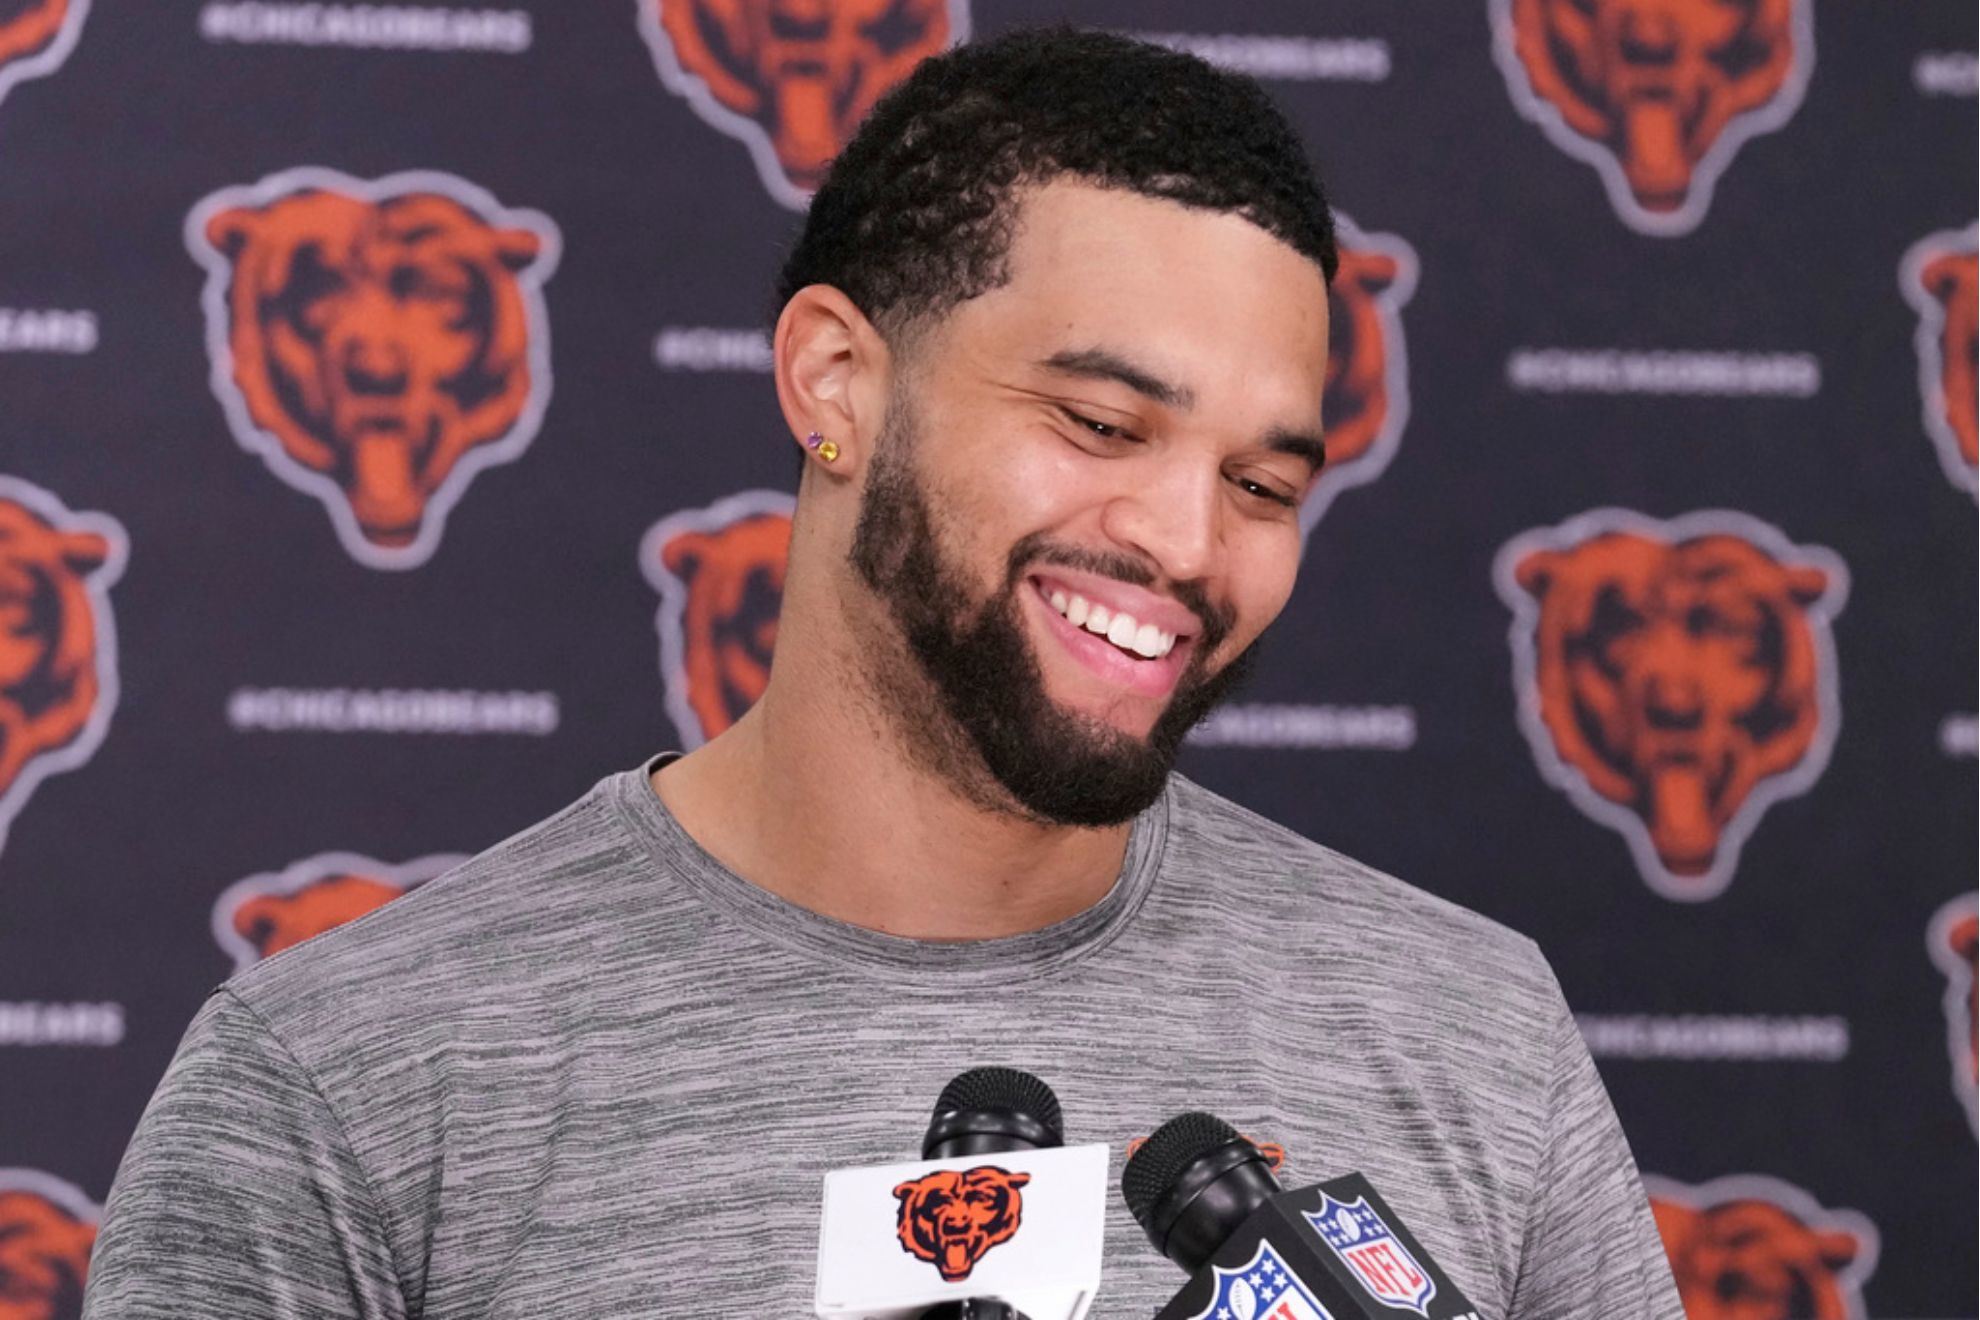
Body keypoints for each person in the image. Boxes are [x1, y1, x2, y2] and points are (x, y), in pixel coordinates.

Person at [85, 28, 1681, 1318]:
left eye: (1264, 487)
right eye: (1103, 427)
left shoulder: (1467, 1027)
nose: (1192, 544)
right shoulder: (344, 1087)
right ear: (836, 380)